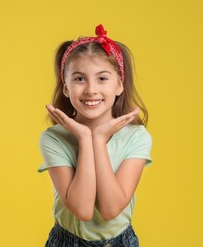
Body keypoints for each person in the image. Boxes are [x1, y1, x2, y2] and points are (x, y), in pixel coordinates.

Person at [38, 24, 152, 247]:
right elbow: (82, 209)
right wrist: (84, 138)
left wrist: (98, 140)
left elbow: (111, 209)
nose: (91, 89)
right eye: (80, 79)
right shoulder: (53, 138)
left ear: (119, 84)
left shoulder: (137, 137)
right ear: (66, 88)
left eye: (102, 78)